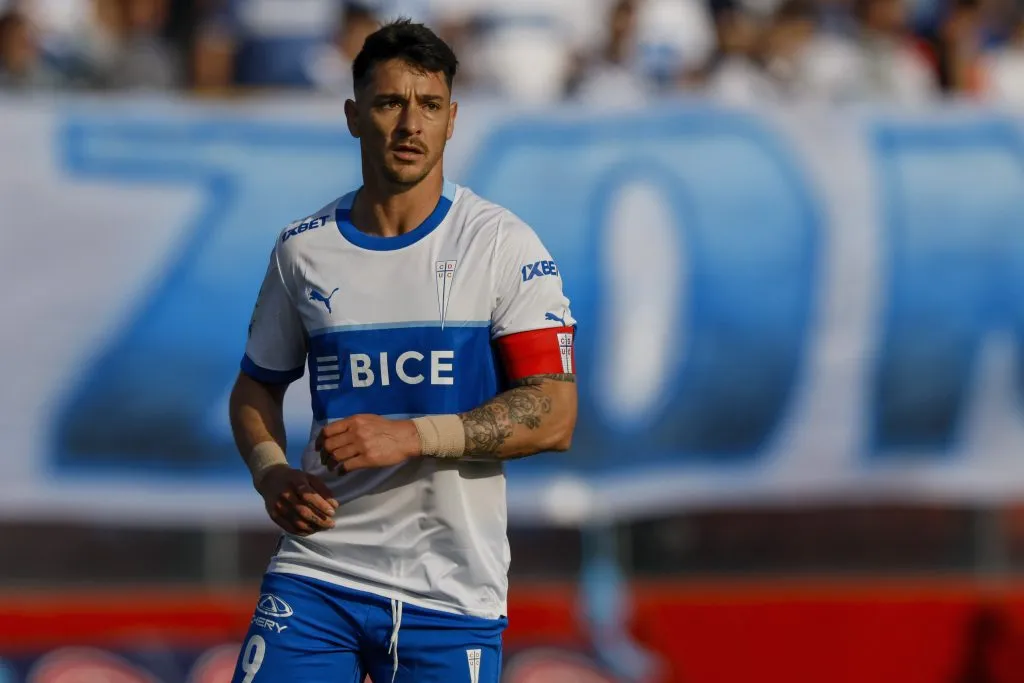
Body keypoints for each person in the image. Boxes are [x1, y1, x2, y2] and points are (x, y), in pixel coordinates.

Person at [228, 18, 578, 683]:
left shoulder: (503, 244)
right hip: (317, 573)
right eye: (390, 103)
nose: (410, 123)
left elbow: (555, 413)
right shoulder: (303, 249)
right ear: (354, 116)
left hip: (448, 590)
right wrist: (271, 471)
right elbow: (254, 387)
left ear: (452, 120)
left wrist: (412, 435)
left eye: (430, 105)